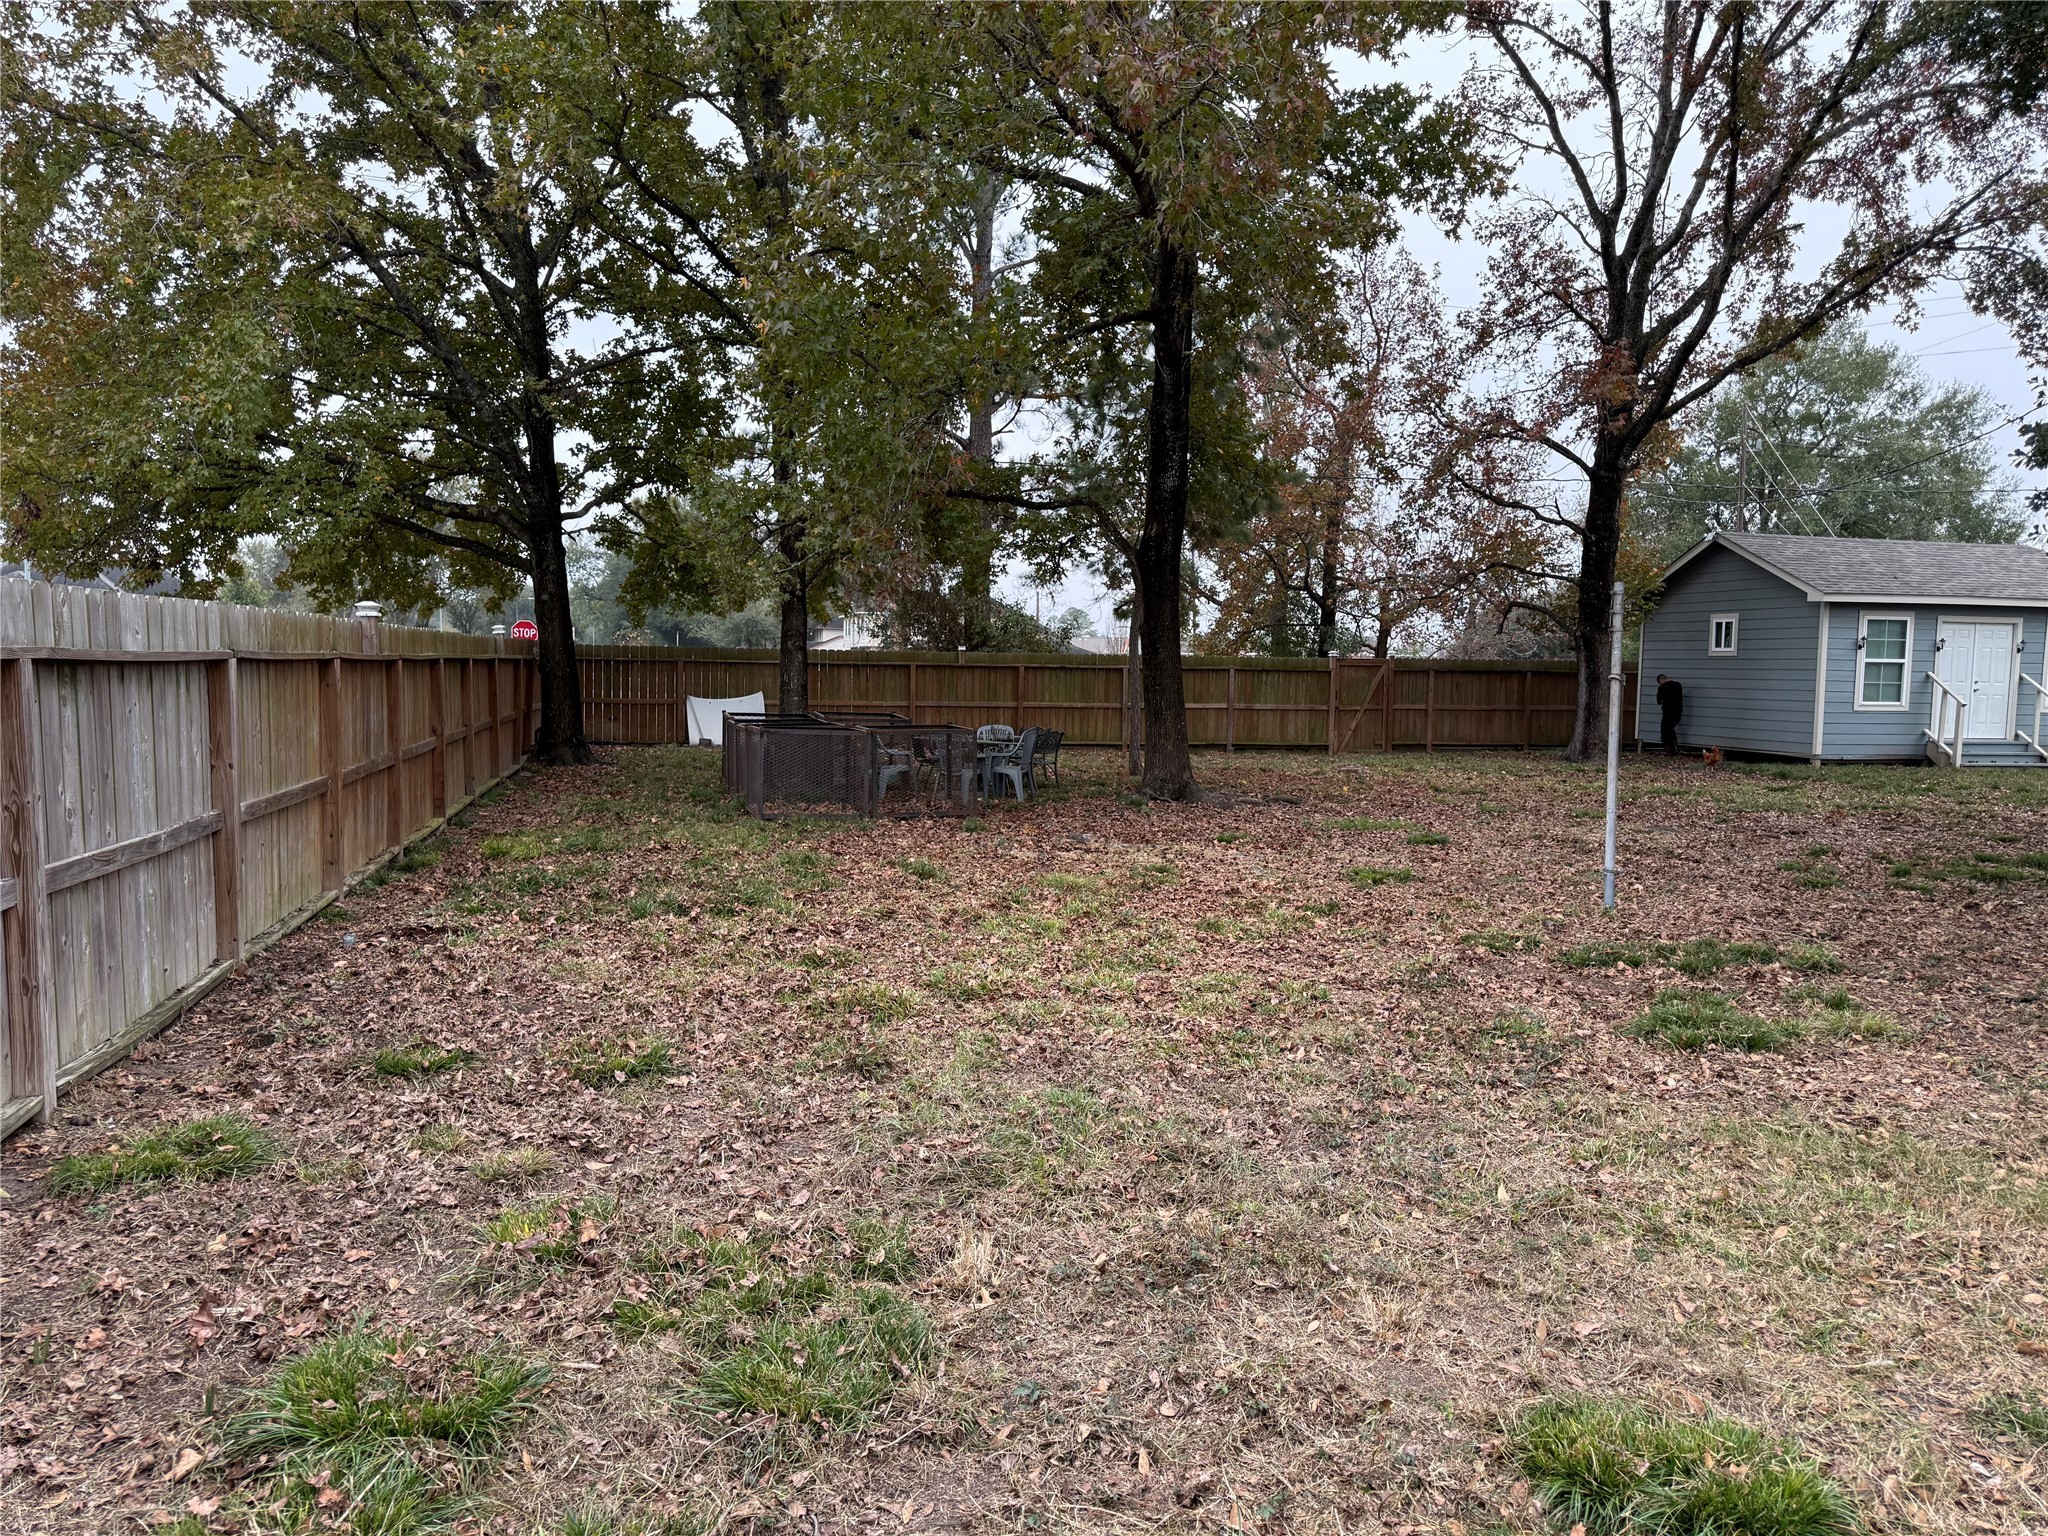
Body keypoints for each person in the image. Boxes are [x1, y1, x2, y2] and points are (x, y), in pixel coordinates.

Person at [1655, 673, 1683, 755]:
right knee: (1671, 729)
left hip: (1667, 713)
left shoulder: (1661, 688)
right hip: (1678, 712)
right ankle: (1675, 746)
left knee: (1664, 730)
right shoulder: (1678, 685)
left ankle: (1669, 750)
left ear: (1660, 680)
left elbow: (1658, 701)